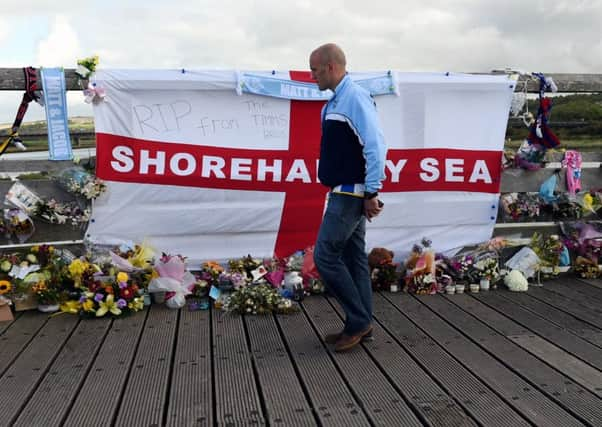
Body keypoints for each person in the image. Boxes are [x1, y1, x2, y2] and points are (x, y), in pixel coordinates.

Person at [309, 43, 387, 352]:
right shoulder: (335, 102)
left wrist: (371, 191)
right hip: (344, 191)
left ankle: (358, 322)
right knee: (355, 260)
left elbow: (375, 145)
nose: (312, 76)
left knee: (325, 256)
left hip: (350, 194)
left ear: (330, 67)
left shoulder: (353, 98)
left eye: (315, 70)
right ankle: (362, 322)